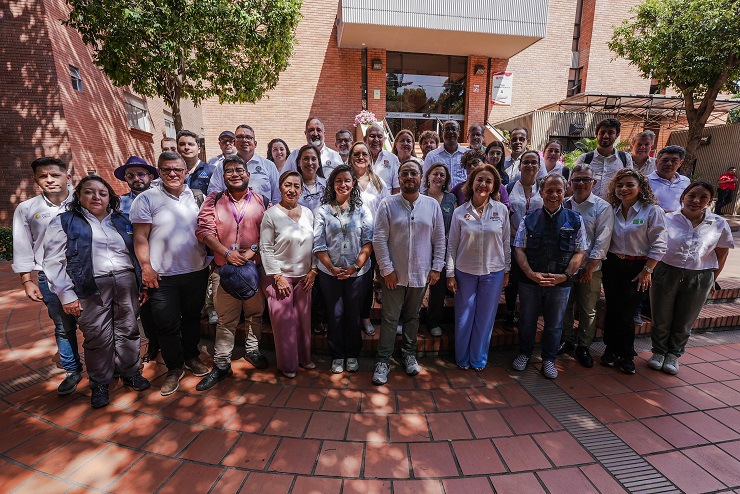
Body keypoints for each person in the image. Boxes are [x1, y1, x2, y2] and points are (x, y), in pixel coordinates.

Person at [43, 176, 150, 408]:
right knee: (97, 336)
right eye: (89, 192)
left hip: (125, 282)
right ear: (79, 196)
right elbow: (52, 262)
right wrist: (66, 296)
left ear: (110, 197)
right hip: (89, 286)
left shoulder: (122, 220)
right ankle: (100, 382)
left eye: (102, 193)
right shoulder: (65, 221)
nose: (96, 197)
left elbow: (136, 253)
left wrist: (141, 284)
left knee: (129, 330)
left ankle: (131, 372)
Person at [130, 151, 210, 396]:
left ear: (186, 172)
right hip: (162, 276)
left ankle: (191, 356)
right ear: (159, 172)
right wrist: (146, 267)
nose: (173, 174)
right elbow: (140, 237)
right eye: (167, 170)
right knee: (166, 324)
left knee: (192, 318)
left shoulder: (196, 196)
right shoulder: (146, 198)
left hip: (196, 270)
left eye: (177, 169)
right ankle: (174, 367)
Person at [195, 156, 270, 390]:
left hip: (254, 269)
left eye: (239, 170)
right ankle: (221, 364)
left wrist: (253, 250)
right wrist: (226, 253)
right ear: (223, 176)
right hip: (224, 269)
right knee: (226, 320)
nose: (235, 174)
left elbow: (270, 232)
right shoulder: (214, 200)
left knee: (254, 314)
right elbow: (204, 230)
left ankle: (252, 350)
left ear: (248, 174)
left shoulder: (263, 201)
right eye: (229, 171)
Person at [12, 157, 83, 395]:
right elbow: (22, 245)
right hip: (49, 277)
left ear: (67, 177)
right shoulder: (27, 209)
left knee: (96, 324)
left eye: (55, 175)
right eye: (43, 176)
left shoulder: (83, 201)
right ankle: (72, 371)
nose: (50, 180)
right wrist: (27, 280)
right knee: (63, 327)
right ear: (36, 180)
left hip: (84, 273)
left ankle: (104, 365)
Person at [372, 160, 446, 385]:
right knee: (390, 318)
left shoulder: (431, 205)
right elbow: (379, 239)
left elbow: (439, 238)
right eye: (404, 173)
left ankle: (409, 354)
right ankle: (383, 360)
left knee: (413, 317)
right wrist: (387, 270)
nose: (409, 177)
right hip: (393, 274)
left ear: (421, 177)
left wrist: (437, 267)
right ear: (399, 178)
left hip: (420, 273)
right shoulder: (388, 204)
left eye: (414, 173)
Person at [649, 182, 734, 375]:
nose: (696, 200)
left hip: (700, 275)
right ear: (683, 197)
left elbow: (722, 255)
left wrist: (712, 279)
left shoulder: (718, 223)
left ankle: (673, 354)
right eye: (692, 195)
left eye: (703, 197)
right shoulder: (667, 219)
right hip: (666, 271)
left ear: (709, 201)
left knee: (686, 319)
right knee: (661, 316)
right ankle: (659, 352)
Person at [511, 173, 588, 379]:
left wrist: (565, 275)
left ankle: (548, 359)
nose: (554, 195)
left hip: (560, 284)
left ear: (565, 192)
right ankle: (524, 354)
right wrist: (529, 273)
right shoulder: (529, 219)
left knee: (554, 325)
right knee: (527, 321)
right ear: (542, 192)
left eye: (558, 191)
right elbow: (519, 248)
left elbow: (580, 251)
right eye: (549, 191)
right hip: (530, 282)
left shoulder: (575, 219)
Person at [601, 168, 667, 374]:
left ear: (641, 187)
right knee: (613, 309)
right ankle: (611, 349)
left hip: (638, 267)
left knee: (627, 314)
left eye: (630, 185)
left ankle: (627, 354)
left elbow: (660, 244)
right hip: (613, 265)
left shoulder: (652, 211)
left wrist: (647, 270)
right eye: (619, 185)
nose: (624, 189)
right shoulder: (612, 210)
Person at [447, 164, 510, 370]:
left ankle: (478, 358)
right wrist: (450, 273)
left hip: (494, 272)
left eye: (488, 181)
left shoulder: (501, 210)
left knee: (485, 318)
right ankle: (462, 358)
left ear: (494, 187)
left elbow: (506, 243)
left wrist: (507, 270)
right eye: (479, 180)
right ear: (471, 183)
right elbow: (452, 245)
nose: (483, 184)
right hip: (464, 271)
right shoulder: (459, 212)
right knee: (464, 317)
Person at [313, 165, 374, 374]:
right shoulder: (323, 210)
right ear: (332, 184)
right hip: (329, 272)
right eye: (338, 180)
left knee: (353, 313)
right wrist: (331, 267)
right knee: (335, 313)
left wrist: (355, 266)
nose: (343, 184)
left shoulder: (362, 210)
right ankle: (337, 355)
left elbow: (368, 241)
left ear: (353, 183)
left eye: (347, 180)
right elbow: (318, 244)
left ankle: (353, 353)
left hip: (357, 272)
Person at [260, 171, 317, 378]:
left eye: (296, 186)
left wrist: (313, 270)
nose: (292, 190)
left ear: (301, 190)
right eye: (287, 185)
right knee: (284, 324)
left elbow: (315, 245)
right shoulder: (271, 215)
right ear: (280, 187)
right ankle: (288, 365)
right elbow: (265, 247)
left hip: (304, 277)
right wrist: (277, 276)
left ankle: (304, 358)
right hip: (279, 278)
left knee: (303, 321)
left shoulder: (308, 213)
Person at [559, 164, 614, 367]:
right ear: (570, 183)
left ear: (594, 182)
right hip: (565, 268)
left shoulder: (602, 207)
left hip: (590, 268)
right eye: (576, 180)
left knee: (588, 309)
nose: (581, 183)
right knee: (565, 306)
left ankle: (583, 346)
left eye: (585, 180)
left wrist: (589, 267)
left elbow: (602, 240)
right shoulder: (564, 204)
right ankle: (566, 340)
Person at [113, 156, 160, 362]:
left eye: (141, 174)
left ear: (150, 176)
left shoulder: (162, 198)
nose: (136, 179)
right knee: (144, 308)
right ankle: (152, 344)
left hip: (162, 260)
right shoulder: (118, 204)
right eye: (130, 176)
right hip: (134, 262)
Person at [350, 141, 390, 336]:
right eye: (356, 154)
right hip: (352, 241)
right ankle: (353, 318)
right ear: (350, 158)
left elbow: (387, 212)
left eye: (364, 154)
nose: (361, 157)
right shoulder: (346, 180)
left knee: (371, 282)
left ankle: (366, 317)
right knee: (357, 282)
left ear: (370, 157)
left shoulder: (378, 183)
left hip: (376, 241)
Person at [504, 150, 544, 326]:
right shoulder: (509, 188)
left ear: (539, 167)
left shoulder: (543, 188)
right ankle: (510, 312)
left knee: (531, 280)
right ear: (519, 166)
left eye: (533, 162)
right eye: (526, 162)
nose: (529, 165)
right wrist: (519, 236)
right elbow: (505, 217)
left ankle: (528, 315)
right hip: (513, 241)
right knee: (513, 279)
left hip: (536, 244)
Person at [422, 163, 456, 337]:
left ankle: (433, 321)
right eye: (435, 174)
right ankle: (407, 320)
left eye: (442, 175)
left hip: (443, 249)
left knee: (438, 287)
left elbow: (454, 223)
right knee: (417, 287)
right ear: (428, 176)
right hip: (422, 248)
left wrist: (445, 240)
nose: (438, 177)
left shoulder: (451, 198)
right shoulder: (420, 196)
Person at [207, 125, 281, 205]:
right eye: (240, 137)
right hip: (230, 212)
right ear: (234, 143)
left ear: (255, 144)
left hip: (264, 212)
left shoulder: (269, 165)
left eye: (248, 137)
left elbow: (277, 196)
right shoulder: (222, 166)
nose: (244, 140)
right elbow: (213, 193)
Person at [573, 118, 634, 199]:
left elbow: (629, 183)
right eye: (602, 132)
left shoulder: (625, 158)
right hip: (588, 205)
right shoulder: (585, 158)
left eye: (610, 132)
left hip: (614, 205)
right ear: (596, 134)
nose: (605, 136)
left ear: (617, 135)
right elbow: (573, 183)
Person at [423, 120, 468, 188]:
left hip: (463, 194)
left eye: (453, 129)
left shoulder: (467, 154)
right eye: (447, 129)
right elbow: (425, 181)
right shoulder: (432, 156)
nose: (450, 132)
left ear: (459, 132)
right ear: (442, 133)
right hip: (439, 194)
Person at [648, 145, 690, 212]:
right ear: (656, 162)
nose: (669, 164)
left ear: (680, 163)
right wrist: (662, 212)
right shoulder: (646, 181)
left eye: (674, 161)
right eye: (665, 160)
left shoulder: (685, 181)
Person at [365, 122, 400, 193]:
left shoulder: (392, 159)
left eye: (380, 136)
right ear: (365, 139)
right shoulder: (360, 159)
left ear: (384, 140)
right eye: (372, 136)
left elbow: (396, 187)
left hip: (386, 200)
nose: (376, 139)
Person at [178, 129, 214, 196]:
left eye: (191, 144)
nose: (186, 147)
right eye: (182, 144)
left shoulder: (211, 170)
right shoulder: (173, 172)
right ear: (177, 149)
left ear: (199, 149)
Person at [295, 144, 327, 213]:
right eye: (306, 159)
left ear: (319, 163)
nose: (310, 163)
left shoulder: (327, 185)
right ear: (299, 162)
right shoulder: (292, 187)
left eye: (314, 159)